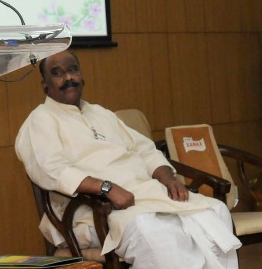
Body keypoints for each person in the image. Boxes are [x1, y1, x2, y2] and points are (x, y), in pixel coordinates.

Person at [15, 50, 241, 269]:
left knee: (214, 211)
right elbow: (51, 170)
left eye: (73, 70)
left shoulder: (100, 113)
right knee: (154, 229)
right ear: (45, 85)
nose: (68, 78)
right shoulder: (40, 120)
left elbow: (145, 150)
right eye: (57, 73)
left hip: (146, 196)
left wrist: (169, 179)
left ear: (82, 76)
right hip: (93, 209)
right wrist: (107, 188)